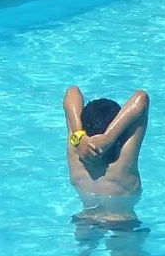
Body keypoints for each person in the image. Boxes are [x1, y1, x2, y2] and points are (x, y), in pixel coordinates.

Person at [63, 86, 148, 224]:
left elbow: (72, 92)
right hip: (121, 221)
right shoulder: (123, 164)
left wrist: (79, 136)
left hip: (85, 219)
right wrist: (109, 137)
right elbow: (142, 98)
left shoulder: (76, 155)